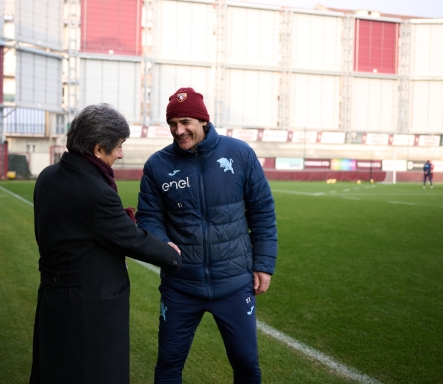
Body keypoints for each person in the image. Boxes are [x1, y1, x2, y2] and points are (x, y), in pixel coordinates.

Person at [30, 104, 182, 384]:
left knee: (56, 371)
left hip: (53, 296)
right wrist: (171, 254)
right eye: (119, 146)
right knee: (94, 372)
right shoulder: (96, 192)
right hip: (88, 306)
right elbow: (130, 238)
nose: (121, 153)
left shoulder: (48, 176)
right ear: (98, 149)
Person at [136, 87, 278, 383]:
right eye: (173, 124)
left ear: (203, 121)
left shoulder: (239, 153)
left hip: (234, 282)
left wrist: (263, 264)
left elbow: (262, 211)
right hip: (180, 286)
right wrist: (162, 243)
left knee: (246, 364)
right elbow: (149, 216)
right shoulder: (157, 165)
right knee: (168, 365)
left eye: (185, 122)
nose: (179, 130)